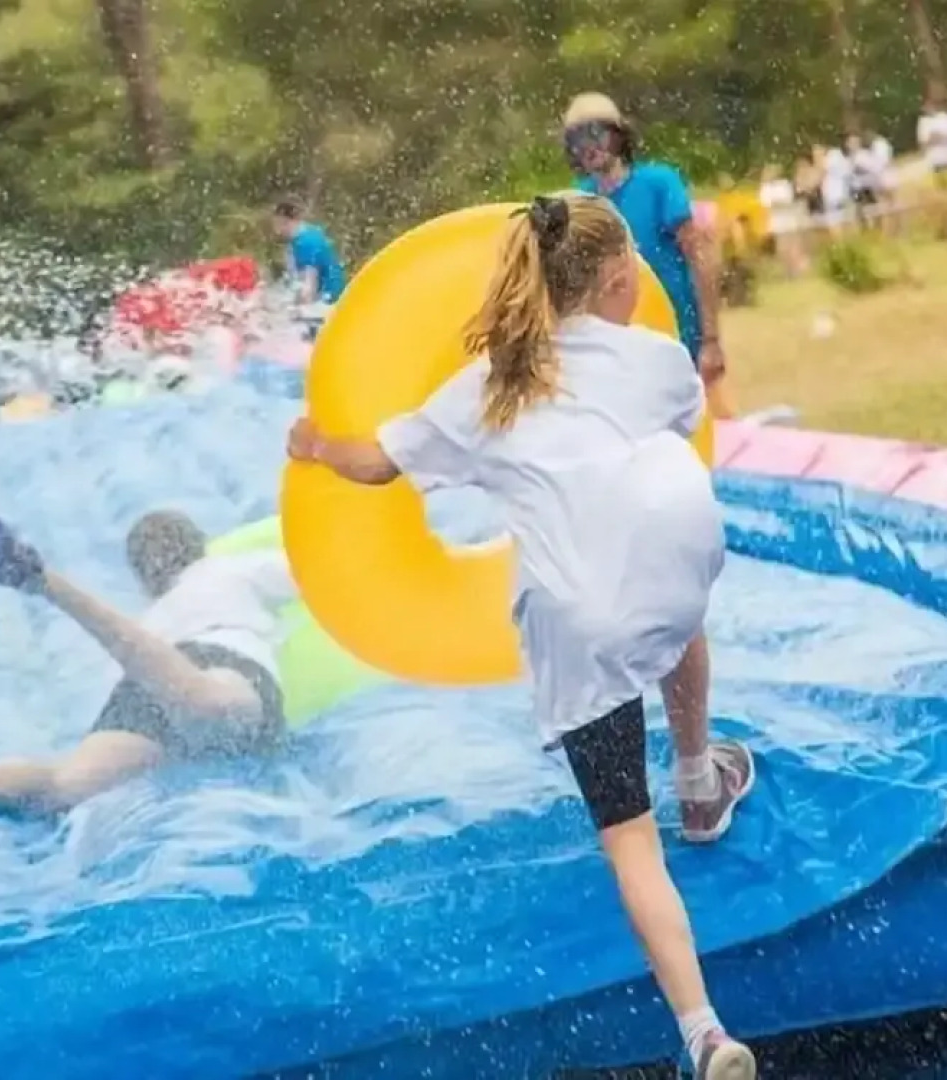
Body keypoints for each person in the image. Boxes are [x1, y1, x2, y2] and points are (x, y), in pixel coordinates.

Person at [286, 193, 758, 1080]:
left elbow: (376, 464)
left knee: (629, 840)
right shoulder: (656, 360)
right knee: (672, 605)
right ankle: (700, 779)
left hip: (577, 619)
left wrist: (314, 446)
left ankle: (704, 1033)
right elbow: (661, 436)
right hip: (672, 572)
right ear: (622, 279)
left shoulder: (488, 388)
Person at [0, 509, 296, 860]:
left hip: (143, 678)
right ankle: (43, 582)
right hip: (220, 659)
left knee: (63, 787)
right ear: (200, 546)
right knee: (209, 703)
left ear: (143, 577)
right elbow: (318, 571)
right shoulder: (228, 568)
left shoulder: (154, 613)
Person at [560, 93, 727, 393]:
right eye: (577, 138)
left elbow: (699, 257)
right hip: (619, 352)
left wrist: (711, 340)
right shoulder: (583, 201)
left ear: (617, 135)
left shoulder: (659, 183)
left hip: (679, 339)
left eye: (595, 132)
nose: (588, 145)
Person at [270, 196, 347, 306]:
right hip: (330, 297)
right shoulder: (307, 233)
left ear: (284, 221)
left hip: (329, 303)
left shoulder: (307, 242)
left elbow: (309, 288)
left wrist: (288, 306)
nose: (276, 230)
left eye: (276, 224)